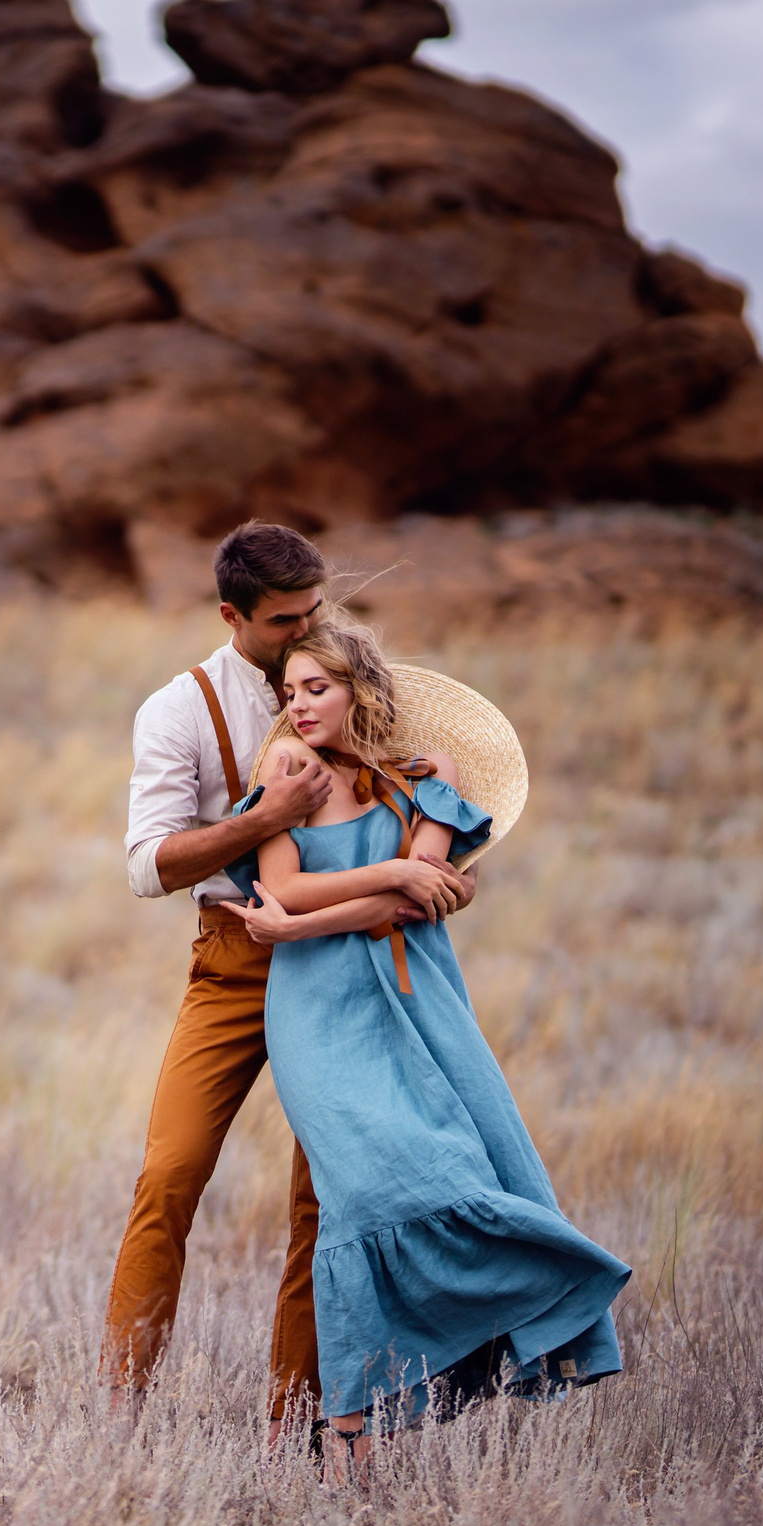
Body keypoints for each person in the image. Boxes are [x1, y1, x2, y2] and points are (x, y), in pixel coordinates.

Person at [216, 617, 629, 1480]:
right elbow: (286, 883)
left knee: (455, 1173)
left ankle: (537, 1305)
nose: (297, 706)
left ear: (360, 689)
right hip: (317, 1019)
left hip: (417, 1002)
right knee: (361, 1198)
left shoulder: (428, 782)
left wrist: (316, 916)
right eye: (288, 693)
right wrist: (388, 872)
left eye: (315, 688)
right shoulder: (285, 782)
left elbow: (412, 904)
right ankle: (347, 1433)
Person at [104, 522, 474, 1437]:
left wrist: (434, 867)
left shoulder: (363, 689)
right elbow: (149, 865)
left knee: (327, 1196)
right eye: (283, 621)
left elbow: (438, 827)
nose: (305, 631)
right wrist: (266, 815)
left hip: (346, 960)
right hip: (232, 960)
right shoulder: (178, 709)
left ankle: (294, 1426)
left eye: (317, 611)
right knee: (169, 1174)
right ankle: (119, 1414)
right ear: (234, 616)